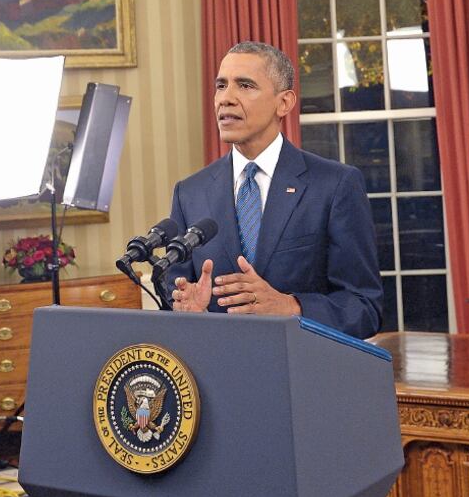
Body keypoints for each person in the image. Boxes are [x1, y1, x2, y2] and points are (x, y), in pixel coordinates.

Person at [161, 41, 382, 339]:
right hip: (218, 376)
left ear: (284, 103)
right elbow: (174, 299)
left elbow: (364, 307)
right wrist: (188, 313)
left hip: (303, 375)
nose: (226, 99)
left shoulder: (335, 185)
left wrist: (291, 306)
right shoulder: (189, 194)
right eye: (221, 85)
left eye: (245, 85)